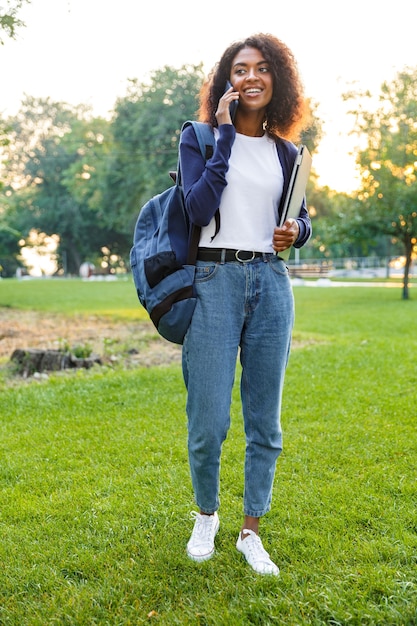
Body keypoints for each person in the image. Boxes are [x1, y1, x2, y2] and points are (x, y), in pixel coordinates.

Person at [179, 33, 312, 576]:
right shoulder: (202, 137)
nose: (251, 77)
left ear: (277, 79)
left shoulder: (289, 153)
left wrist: (296, 233)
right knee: (208, 418)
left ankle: (251, 530)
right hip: (214, 279)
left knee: (266, 421)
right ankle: (206, 515)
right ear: (226, 82)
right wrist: (228, 136)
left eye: (261, 68)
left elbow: (302, 218)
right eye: (239, 70)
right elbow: (196, 207)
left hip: (272, 283)